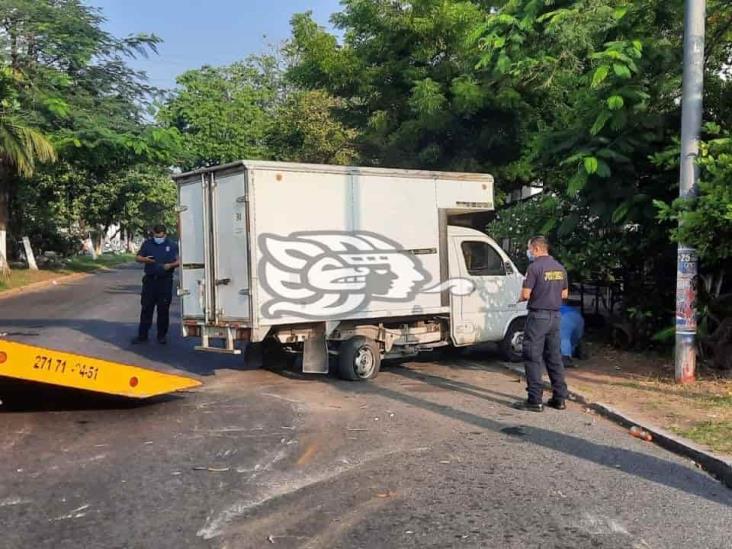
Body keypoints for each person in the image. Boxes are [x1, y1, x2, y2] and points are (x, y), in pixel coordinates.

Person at [514, 236, 569, 412]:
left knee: (532, 357)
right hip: (555, 317)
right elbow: (565, 294)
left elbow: (526, 294)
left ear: (536, 249)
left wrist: (519, 298)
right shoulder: (560, 268)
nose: (528, 252)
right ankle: (559, 398)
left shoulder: (534, 267)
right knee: (554, 357)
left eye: (529, 248)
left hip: (538, 317)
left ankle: (535, 400)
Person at [131, 224, 179, 345]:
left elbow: (180, 260)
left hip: (165, 281)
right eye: (156, 235)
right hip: (150, 281)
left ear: (165, 234)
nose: (157, 237)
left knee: (163, 309)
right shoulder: (147, 243)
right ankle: (142, 336)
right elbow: (137, 257)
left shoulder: (172, 245)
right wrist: (145, 260)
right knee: (146, 308)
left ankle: (161, 336)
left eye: (160, 235)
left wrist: (171, 265)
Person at [560, 302, 585, 368]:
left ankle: (566, 357)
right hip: (578, 316)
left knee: (564, 338)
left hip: (563, 317)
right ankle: (576, 349)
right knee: (572, 338)